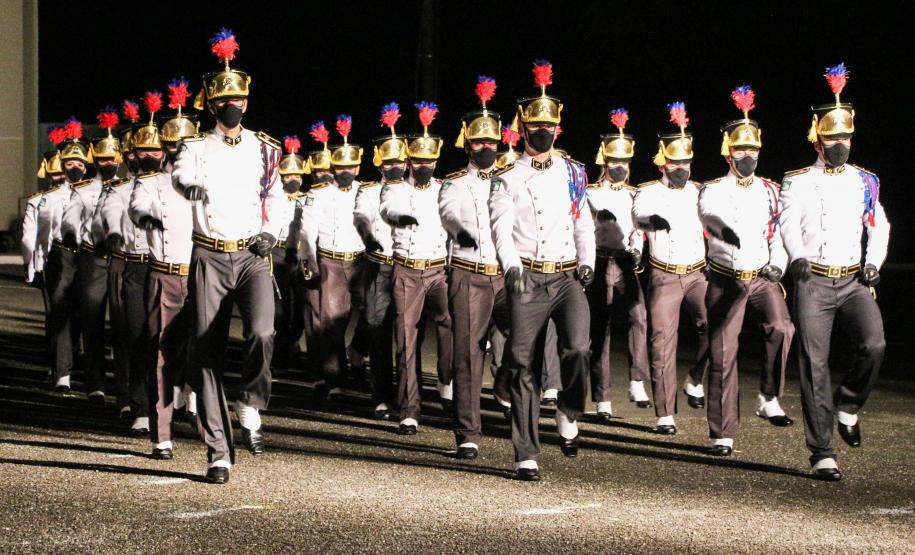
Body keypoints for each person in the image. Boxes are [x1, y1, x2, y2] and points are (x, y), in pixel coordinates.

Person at [173, 29, 285, 484]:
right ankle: (218, 449)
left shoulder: (266, 148)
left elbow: (276, 198)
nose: (231, 106)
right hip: (211, 254)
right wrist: (189, 185)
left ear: (247, 101)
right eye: (222, 101)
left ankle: (250, 400)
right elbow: (180, 174)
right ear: (210, 105)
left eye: (237, 98)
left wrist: (270, 232)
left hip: (253, 254)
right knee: (207, 349)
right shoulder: (195, 148)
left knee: (262, 330)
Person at [778, 64, 889, 481]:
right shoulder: (798, 181)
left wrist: (874, 263)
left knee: (874, 343)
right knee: (814, 362)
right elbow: (787, 222)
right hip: (813, 279)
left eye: (845, 137)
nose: (840, 143)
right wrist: (797, 256)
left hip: (854, 279)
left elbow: (878, 226)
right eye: (832, 137)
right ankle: (822, 450)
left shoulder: (866, 181)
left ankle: (847, 402)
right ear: (817, 139)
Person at [489, 60, 595, 481]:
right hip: (528, 276)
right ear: (524, 127)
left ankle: (569, 411)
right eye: (536, 126)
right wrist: (511, 267)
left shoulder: (573, 171)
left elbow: (581, 220)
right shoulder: (507, 174)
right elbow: (500, 228)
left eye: (550, 126)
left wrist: (587, 261)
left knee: (578, 347)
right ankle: (526, 451)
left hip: (567, 275)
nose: (544, 132)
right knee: (520, 361)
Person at [698, 85, 795, 457]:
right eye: (741, 150)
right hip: (724, 278)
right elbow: (708, 215)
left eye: (753, 150)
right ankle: (722, 432)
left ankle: (769, 396)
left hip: (760, 276)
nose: (748, 156)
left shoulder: (771, 189)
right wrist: (724, 231)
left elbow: (779, 232)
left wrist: (778, 264)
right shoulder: (713, 189)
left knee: (782, 328)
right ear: (728, 152)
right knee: (724, 353)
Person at [440, 76, 512, 459]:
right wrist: (461, 231)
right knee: (469, 352)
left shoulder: (511, 180)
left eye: (491, 142)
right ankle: (468, 432)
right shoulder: (453, 184)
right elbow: (448, 213)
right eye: (479, 142)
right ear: (468, 144)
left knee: (525, 336)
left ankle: (502, 386)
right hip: (468, 272)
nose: (487, 147)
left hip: (505, 273)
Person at [631, 102, 709, 435]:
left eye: (687, 162)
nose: (682, 167)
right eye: (676, 162)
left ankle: (695, 379)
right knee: (662, 341)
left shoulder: (701, 191)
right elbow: (638, 215)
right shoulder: (648, 191)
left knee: (718, 325)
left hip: (697, 274)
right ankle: (665, 414)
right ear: (663, 162)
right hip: (664, 275)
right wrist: (652, 221)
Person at [129, 91, 198, 460]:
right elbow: (137, 207)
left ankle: (199, 412)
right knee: (160, 355)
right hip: (164, 274)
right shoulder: (152, 182)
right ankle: (162, 435)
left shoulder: (207, 183)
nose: (180, 151)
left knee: (201, 351)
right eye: (175, 145)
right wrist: (147, 217)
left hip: (201, 275)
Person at [379, 101, 453, 435]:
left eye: (429, 161)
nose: (424, 165)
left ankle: (447, 381)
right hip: (407, 270)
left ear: (437, 161)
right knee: (406, 340)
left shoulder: (445, 188)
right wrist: (399, 217)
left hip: (440, 271)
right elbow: (387, 209)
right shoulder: (394, 187)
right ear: (409, 160)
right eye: (418, 160)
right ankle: (409, 408)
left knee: (454, 325)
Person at [586, 108, 650, 421]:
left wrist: (637, 249)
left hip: (625, 263)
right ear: (605, 161)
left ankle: (637, 380)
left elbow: (638, 228)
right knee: (601, 329)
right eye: (614, 162)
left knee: (639, 315)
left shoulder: (634, 194)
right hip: (599, 262)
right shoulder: (590, 193)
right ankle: (602, 399)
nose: (620, 167)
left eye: (624, 162)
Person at [298, 116, 366, 400]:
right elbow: (306, 231)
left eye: (351, 166)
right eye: (341, 167)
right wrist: (309, 264)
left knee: (375, 315)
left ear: (358, 167)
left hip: (362, 262)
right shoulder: (319, 194)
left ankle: (359, 351)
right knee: (332, 322)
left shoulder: (368, 191)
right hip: (331, 261)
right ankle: (335, 378)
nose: (346, 171)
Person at [97, 105, 151, 434]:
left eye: (149, 151)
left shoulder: (168, 186)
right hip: (126, 261)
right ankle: (128, 397)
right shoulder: (117, 189)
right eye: (136, 152)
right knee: (126, 333)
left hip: (161, 265)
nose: (141, 157)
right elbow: (109, 215)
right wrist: (113, 235)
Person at [354, 103, 407, 420]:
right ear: (379, 164)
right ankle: (382, 395)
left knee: (407, 334)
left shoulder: (418, 191)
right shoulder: (370, 191)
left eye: (399, 161)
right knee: (378, 329)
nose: (394, 167)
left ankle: (407, 396)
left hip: (410, 268)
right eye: (388, 162)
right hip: (379, 265)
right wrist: (368, 238)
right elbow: (360, 216)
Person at [60, 118, 111, 404]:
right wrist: (70, 233)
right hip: (93, 259)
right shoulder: (85, 190)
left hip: (124, 261)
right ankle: (96, 381)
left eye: (111, 157)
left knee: (127, 326)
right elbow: (71, 216)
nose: (107, 162)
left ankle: (129, 388)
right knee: (92, 322)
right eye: (101, 158)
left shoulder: (133, 186)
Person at [42, 124, 81, 392]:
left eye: (80, 161)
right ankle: (62, 372)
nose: (75, 166)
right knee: (61, 314)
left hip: (92, 257)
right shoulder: (54, 196)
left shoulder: (101, 190)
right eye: (70, 162)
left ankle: (92, 371)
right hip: (63, 255)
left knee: (90, 316)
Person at [272, 135, 308, 371]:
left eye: (297, 175)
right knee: (280, 308)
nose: (293, 179)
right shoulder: (273, 198)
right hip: (276, 254)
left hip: (301, 257)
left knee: (302, 308)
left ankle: (293, 340)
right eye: (288, 175)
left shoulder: (308, 200)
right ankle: (279, 352)